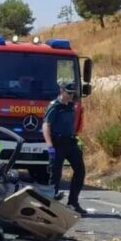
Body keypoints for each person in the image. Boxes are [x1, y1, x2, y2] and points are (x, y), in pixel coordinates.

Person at [42, 81, 87, 215]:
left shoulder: (71, 105)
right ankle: (50, 205)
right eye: (69, 93)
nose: (72, 95)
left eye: (73, 93)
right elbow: (46, 126)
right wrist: (49, 145)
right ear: (62, 91)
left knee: (80, 170)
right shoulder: (54, 106)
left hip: (70, 142)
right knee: (55, 175)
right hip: (57, 143)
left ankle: (73, 202)